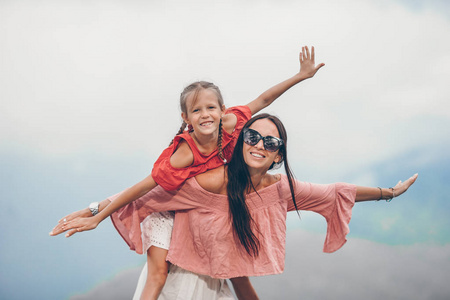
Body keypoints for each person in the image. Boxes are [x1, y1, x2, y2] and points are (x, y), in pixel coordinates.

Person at [50, 46, 325, 300]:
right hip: (164, 211)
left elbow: (264, 99)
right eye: (196, 110)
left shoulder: (231, 124)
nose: (205, 115)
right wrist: (97, 215)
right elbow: (145, 189)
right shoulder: (184, 153)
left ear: (222, 110)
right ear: (186, 118)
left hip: (193, 206)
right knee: (158, 277)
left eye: (210, 108)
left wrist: (301, 75)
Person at [52, 113, 418, 299]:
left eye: (270, 142)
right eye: (253, 136)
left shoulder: (281, 190)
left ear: (279, 154)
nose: (259, 144)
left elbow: (337, 191)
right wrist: (95, 209)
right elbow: (152, 193)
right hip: (178, 284)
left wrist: (388, 193)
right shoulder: (213, 181)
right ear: (242, 140)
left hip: (216, 285)